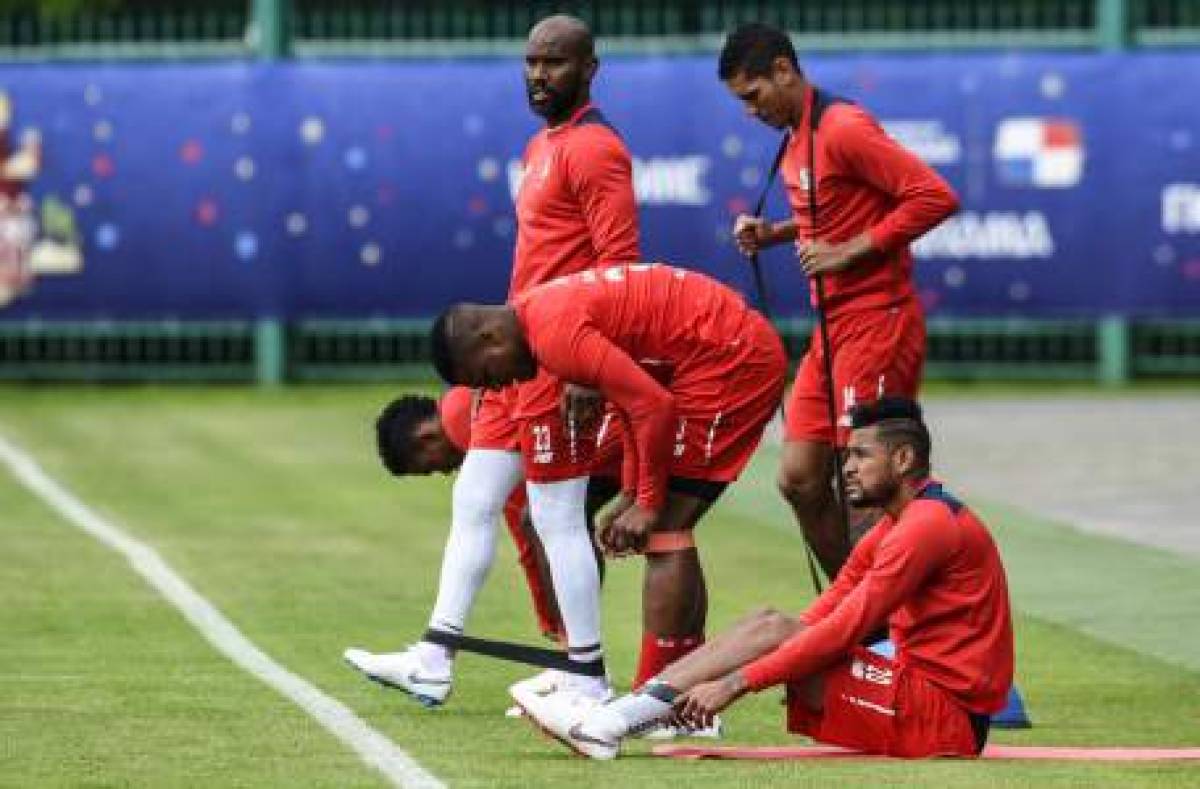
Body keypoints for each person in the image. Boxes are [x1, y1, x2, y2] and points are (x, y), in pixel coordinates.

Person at [343, 14, 639, 707]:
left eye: (556, 63)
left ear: (589, 69)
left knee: (557, 515)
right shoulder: (542, 144)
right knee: (474, 496)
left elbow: (619, 267)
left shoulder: (595, 150)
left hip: (557, 355)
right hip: (517, 358)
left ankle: (587, 679)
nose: (539, 76)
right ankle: (433, 657)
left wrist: (586, 369)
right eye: (532, 62)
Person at [516, 397, 1014, 760]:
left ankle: (609, 721)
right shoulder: (897, 523)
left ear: (903, 460)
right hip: (916, 696)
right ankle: (619, 715)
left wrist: (736, 682)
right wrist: (769, 653)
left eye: (861, 456)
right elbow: (830, 607)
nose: (847, 469)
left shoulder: (926, 526)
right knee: (769, 621)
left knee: (777, 632)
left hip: (945, 721)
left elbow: (846, 629)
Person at [430, 262, 788, 718]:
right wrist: (632, 492)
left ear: (489, 340)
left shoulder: (553, 336)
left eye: (485, 375)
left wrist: (648, 501)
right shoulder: (540, 316)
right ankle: (667, 698)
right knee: (664, 527)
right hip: (713, 352)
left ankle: (669, 707)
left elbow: (653, 405)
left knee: (666, 528)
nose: (499, 385)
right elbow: (629, 397)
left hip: (732, 358)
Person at [721, 23, 960, 579]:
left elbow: (935, 196)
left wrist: (848, 252)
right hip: (833, 331)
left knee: (868, 488)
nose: (750, 112)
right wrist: (774, 233)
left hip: (879, 322)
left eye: (753, 96)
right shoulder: (795, 134)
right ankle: (857, 615)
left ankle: (888, 634)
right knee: (800, 478)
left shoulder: (844, 128)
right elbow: (833, 210)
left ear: (784, 71)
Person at [366, 387, 614, 642]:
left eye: (430, 468)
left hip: (606, 425)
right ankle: (582, 660)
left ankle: (580, 659)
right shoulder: (465, 398)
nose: (443, 472)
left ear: (426, 438)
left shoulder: (467, 428)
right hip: (611, 418)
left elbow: (525, 529)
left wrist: (550, 624)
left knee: (548, 520)